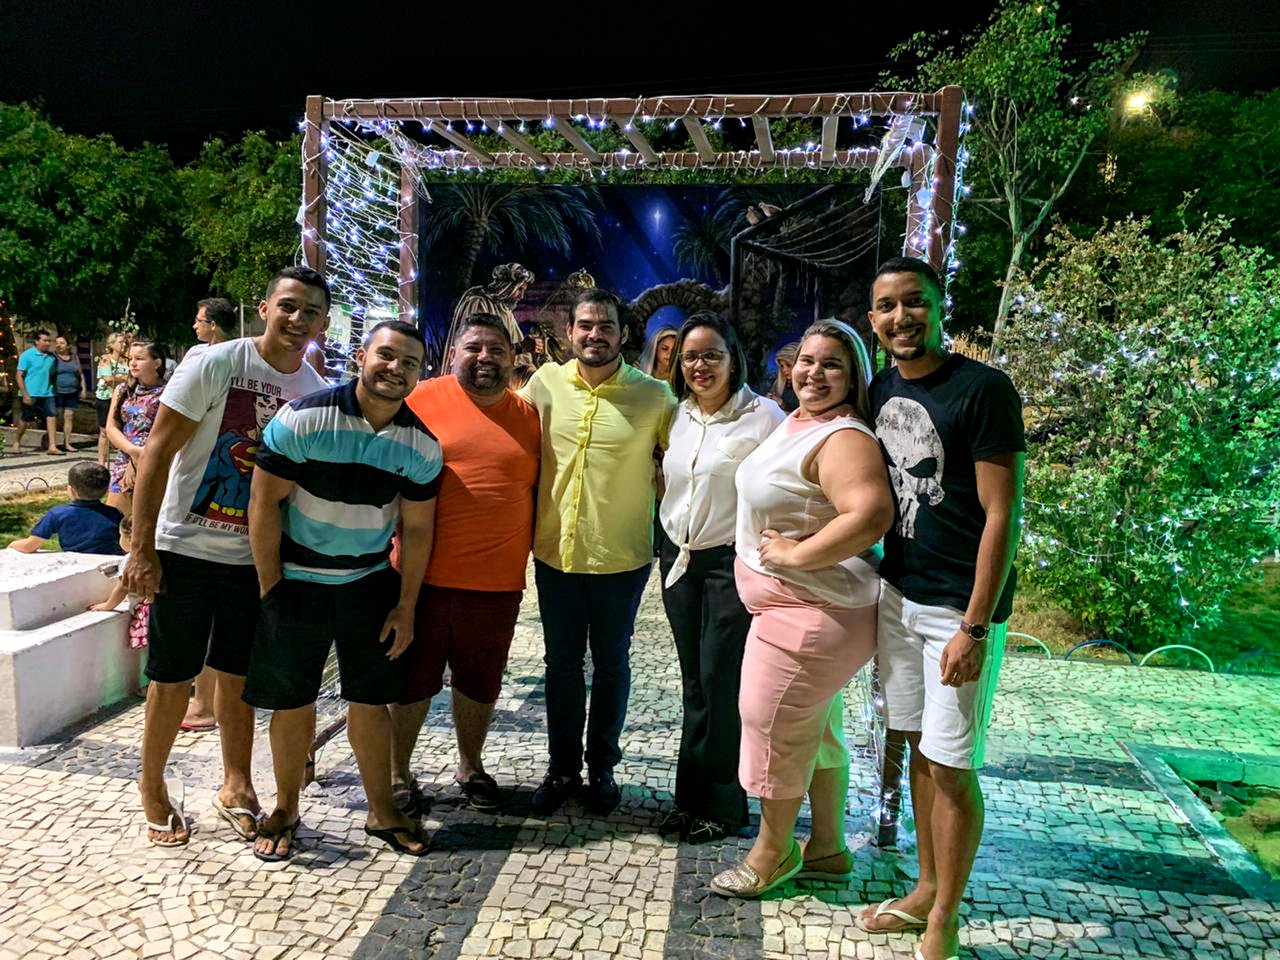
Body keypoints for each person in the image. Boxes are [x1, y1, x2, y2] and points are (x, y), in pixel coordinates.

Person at [121, 265, 331, 847]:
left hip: (255, 560)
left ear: (323, 323)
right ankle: (152, 785)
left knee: (238, 676)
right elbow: (157, 450)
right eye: (288, 305)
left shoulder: (313, 391)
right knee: (171, 675)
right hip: (186, 547)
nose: (298, 319)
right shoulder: (216, 362)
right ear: (264, 309)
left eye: (311, 311)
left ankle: (236, 784)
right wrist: (142, 546)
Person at [858, 257, 1025, 960]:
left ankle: (945, 919)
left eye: (915, 302)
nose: (901, 317)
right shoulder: (881, 388)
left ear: (938, 305)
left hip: (957, 610)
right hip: (899, 595)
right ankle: (925, 888)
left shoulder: (983, 389)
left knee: (952, 764)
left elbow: (1002, 514)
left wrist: (975, 626)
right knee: (921, 752)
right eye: (887, 306)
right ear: (873, 319)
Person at [242, 320, 441, 861]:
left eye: (409, 363)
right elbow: (263, 505)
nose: (395, 369)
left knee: (371, 701)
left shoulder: (421, 445)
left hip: (369, 584)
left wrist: (406, 605)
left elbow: (417, 530)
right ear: (361, 356)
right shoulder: (303, 419)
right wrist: (271, 587)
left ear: (420, 374)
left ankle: (381, 809)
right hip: (297, 582)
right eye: (386, 355)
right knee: (292, 702)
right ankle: (286, 807)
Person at [710, 319, 893, 899]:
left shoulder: (843, 437)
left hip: (811, 612)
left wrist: (795, 555)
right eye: (807, 361)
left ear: (854, 375)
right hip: (800, 608)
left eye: (832, 364)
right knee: (816, 728)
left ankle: (773, 852)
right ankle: (828, 848)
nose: (815, 373)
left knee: (771, 724)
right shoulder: (802, 421)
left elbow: (870, 514)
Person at [520, 288, 677, 815]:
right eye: (585, 325)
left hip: (622, 557)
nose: (595, 334)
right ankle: (561, 768)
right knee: (561, 664)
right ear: (569, 332)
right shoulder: (544, 385)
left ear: (623, 334)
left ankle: (602, 767)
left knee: (612, 663)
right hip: (556, 553)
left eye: (606, 325)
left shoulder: (654, 396)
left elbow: (689, 456)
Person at [388, 313, 540, 815]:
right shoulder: (419, 400)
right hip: (420, 579)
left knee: (481, 682)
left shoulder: (530, 417)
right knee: (411, 681)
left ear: (512, 357)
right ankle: (397, 772)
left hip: (497, 584)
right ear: (454, 353)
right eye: (474, 347)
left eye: (496, 349)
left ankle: (470, 766)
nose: (485, 358)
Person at [657, 313, 784, 843]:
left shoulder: (765, 418)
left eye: (712, 354)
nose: (700, 366)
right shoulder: (677, 414)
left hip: (731, 565)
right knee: (694, 681)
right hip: (679, 561)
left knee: (721, 682)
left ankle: (724, 805)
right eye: (690, 357)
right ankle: (689, 799)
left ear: (735, 359)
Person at [181, 296, 236, 731]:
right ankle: (203, 702)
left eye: (200, 321)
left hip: (210, 519)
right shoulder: (218, 361)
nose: (196, 327)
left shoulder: (206, 361)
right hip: (207, 510)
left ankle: (203, 704)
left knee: (212, 631)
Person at [105, 342, 167, 515]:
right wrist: (133, 452)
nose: (132, 363)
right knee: (115, 517)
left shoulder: (167, 392)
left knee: (146, 518)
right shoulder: (123, 390)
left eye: (139, 359)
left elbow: (163, 432)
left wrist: (138, 460)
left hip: (153, 458)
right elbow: (111, 427)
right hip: (126, 456)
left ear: (157, 363)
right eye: (130, 359)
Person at [7, 461, 123, 555]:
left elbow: (30, 545)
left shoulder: (58, 514)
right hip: (109, 564)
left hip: (75, 563)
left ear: (72, 490)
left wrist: (12, 545)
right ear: (106, 490)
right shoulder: (115, 514)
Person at [15, 329, 63, 455]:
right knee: (26, 419)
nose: (47, 343)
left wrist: (54, 387)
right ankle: (17, 441)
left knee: (52, 416)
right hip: (30, 393)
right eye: (45, 341)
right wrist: (25, 394)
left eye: (49, 341)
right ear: (37, 341)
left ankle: (52, 446)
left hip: (47, 393)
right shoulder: (27, 355)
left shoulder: (52, 357)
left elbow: (53, 374)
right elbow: (19, 375)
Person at [95, 334, 131, 464]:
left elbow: (133, 378)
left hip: (122, 397)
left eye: (124, 342)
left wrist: (122, 378)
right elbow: (109, 379)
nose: (124, 345)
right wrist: (124, 378)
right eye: (120, 342)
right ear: (111, 345)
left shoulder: (127, 360)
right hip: (106, 397)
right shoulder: (105, 359)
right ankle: (101, 462)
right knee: (104, 431)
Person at [52, 335, 89, 452]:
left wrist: (83, 389)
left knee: (69, 416)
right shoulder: (53, 357)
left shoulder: (74, 357)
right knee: (56, 417)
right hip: (57, 391)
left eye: (62, 343)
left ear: (68, 345)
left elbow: (80, 373)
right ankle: (51, 442)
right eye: (57, 343)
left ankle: (67, 443)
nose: (59, 345)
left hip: (72, 391)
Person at [766, 340, 801, 413]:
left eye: (788, 365)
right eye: (782, 366)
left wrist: (782, 403)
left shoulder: (807, 386)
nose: (784, 370)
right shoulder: (781, 383)